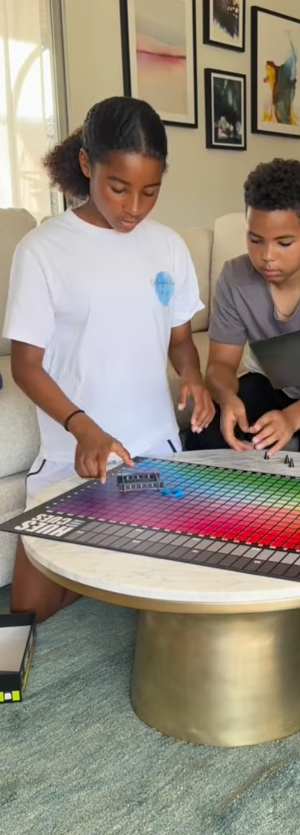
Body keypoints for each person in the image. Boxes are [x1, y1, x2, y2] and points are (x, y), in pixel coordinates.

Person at [3, 96, 214, 623]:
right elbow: (25, 365)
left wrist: (193, 377)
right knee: (28, 612)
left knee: (178, 602)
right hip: (69, 455)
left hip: (154, 454)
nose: (134, 208)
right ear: (85, 166)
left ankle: (120, 560)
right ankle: (108, 564)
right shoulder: (42, 249)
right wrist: (81, 428)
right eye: (118, 187)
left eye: (150, 190)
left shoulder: (168, 247)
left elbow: (181, 341)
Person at [185, 158, 300, 619]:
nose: (266, 256)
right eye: (255, 239)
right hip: (272, 384)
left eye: (284, 242)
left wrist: (292, 419)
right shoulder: (233, 277)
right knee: (206, 423)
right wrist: (226, 399)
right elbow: (222, 364)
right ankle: (228, 545)